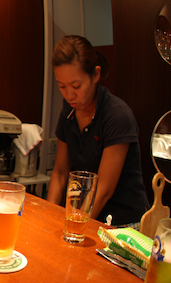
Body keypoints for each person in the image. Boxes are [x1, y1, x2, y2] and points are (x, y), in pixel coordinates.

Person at [47, 35, 149, 227]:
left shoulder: (117, 115)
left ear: (95, 75)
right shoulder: (69, 111)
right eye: (62, 86)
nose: (69, 95)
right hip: (82, 215)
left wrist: (75, 227)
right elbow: (60, 172)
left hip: (122, 224)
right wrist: (49, 215)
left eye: (76, 86)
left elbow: (103, 190)